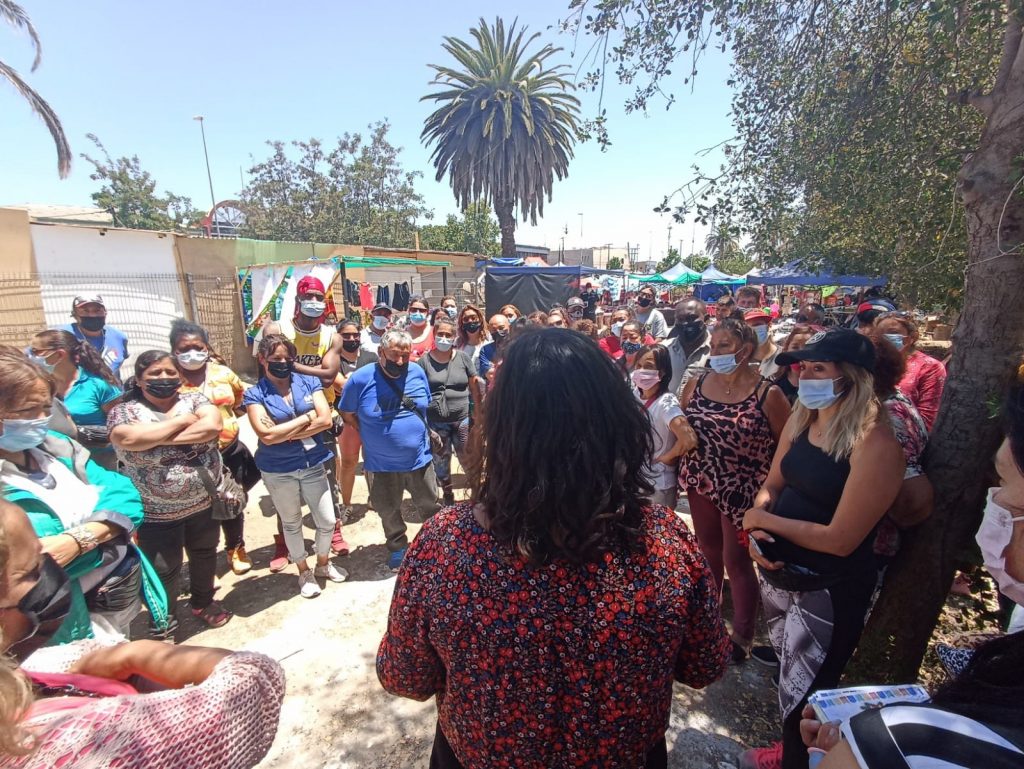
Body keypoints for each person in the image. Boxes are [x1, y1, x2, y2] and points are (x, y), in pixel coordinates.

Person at [377, 328, 731, 769]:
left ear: (500, 429)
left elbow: (405, 676)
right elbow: (703, 665)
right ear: (618, 423)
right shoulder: (665, 542)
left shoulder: (444, 546)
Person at [0, 500, 285, 769]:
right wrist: (137, 653)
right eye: (33, 570)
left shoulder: (24, 671)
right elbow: (256, 679)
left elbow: (123, 495)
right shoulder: (84, 745)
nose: (52, 569)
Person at [739, 329, 904, 769]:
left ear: (851, 377)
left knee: (809, 700)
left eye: (819, 368)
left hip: (828, 590)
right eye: (803, 367)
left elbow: (841, 539)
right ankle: (788, 754)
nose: (806, 376)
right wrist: (759, 526)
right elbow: (773, 485)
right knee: (789, 685)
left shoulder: (876, 443)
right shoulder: (803, 420)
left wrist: (763, 521)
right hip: (781, 576)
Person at [0, 350, 163, 641]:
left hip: (111, 606)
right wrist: (110, 537)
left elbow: (124, 494)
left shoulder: (57, 447)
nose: (42, 419)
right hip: (52, 636)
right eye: (29, 410)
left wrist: (79, 541)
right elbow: (33, 570)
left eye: (46, 407)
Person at [680, 318, 790, 663]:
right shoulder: (696, 383)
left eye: (724, 346)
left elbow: (786, 446)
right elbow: (682, 427)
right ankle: (708, 623)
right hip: (701, 483)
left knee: (737, 560)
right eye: (713, 347)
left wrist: (771, 493)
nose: (716, 353)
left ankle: (742, 634)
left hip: (744, 491)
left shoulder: (768, 393)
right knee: (706, 552)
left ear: (745, 350)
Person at [108, 351, 232, 633]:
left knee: (205, 553)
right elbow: (127, 438)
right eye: (154, 373)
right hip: (156, 512)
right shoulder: (124, 411)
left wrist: (154, 438)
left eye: (169, 372)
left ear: (179, 376)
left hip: (204, 502)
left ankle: (203, 602)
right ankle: (164, 617)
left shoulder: (195, 400)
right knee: (163, 568)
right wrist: (180, 422)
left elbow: (213, 426)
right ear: (139, 380)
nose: (163, 378)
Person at [243, 335, 348, 598]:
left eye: (287, 358)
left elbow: (325, 420)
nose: (282, 363)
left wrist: (284, 432)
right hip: (278, 469)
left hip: (313, 463)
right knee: (291, 523)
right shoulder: (254, 394)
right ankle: (303, 570)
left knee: (327, 520)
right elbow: (266, 435)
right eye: (275, 358)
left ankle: (323, 563)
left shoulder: (308, 382)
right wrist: (306, 418)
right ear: (262, 360)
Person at [262, 275, 349, 560]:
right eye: (308, 297)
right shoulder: (277, 329)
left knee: (327, 477)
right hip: (282, 414)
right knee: (284, 481)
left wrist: (290, 365)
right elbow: (268, 369)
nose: (314, 302)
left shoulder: (331, 336)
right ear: (298, 300)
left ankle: (334, 531)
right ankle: (284, 542)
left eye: (318, 297)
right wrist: (301, 370)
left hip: (321, 414)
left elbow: (329, 376)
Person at [338, 330, 440, 571]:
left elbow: (423, 406)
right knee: (388, 509)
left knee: (429, 504)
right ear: (380, 352)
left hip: (419, 459)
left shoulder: (417, 372)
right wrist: (365, 429)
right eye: (394, 355)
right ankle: (397, 546)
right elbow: (347, 412)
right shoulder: (360, 379)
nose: (400, 361)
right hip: (381, 463)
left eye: (405, 355)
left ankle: (435, 544)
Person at [169, 319, 258, 576]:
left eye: (198, 347)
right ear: (174, 350)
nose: (192, 353)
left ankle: (236, 547)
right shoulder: (169, 378)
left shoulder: (222, 373)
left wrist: (227, 424)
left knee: (232, 499)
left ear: (206, 347)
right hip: (190, 457)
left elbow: (240, 400)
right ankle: (201, 558)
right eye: (184, 348)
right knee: (198, 509)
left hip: (228, 451)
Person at [28, 330, 121, 469]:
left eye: (36, 351)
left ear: (59, 354)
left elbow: (122, 426)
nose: (30, 356)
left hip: (100, 463)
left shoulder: (98, 385)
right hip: (55, 462)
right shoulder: (40, 385)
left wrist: (85, 433)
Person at [418, 317, 483, 505]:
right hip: (436, 422)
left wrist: (478, 413)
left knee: (469, 458)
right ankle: (448, 496)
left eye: (448, 334)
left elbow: (474, 386)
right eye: (441, 334)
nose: (444, 338)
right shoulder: (424, 361)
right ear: (434, 334)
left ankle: (476, 495)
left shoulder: (462, 358)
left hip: (462, 420)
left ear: (454, 336)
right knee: (441, 461)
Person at [630, 345, 696, 509]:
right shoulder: (635, 395)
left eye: (649, 366)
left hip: (659, 486)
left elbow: (689, 439)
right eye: (639, 365)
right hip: (637, 479)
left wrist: (667, 458)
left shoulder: (666, 403)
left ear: (662, 372)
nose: (641, 370)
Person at [874, 311, 947, 431]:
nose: (885, 339)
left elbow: (927, 418)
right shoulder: (873, 362)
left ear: (912, 337)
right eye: (880, 334)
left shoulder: (929, 367)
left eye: (893, 333)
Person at [59, 295, 129, 384]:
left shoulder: (118, 337)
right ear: (75, 314)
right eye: (85, 311)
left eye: (97, 310)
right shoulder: (63, 337)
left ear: (105, 312)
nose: (92, 315)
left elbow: (118, 365)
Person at [335, 320, 365, 520]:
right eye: (346, 335)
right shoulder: (333, 360)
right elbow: (341, 387)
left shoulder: (371, 357)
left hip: (371, 418)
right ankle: (346, 504)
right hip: (347, 421)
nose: (352, 339)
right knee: (348, 462)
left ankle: (375, 499)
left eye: (355, 335)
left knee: (373, 461)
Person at [660, 299, 712, 396]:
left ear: (706, 319)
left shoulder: (717, 352)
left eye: (691, 318)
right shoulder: (664, 349)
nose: (685, 323)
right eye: (680, 319)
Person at [772, 324, 821, 405]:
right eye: (795, 347)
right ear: (786, 349)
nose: (799, 353)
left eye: (807, 347)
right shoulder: (776, 385)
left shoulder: (823, 386)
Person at [745, 309, 782, 378]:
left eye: (757, 325)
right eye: (748, 328)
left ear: (769, 326)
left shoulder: (783, 356)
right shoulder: (742, 360)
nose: (752, 330)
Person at [454, 304, 489, 375]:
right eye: (466, 319)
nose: (470, 321)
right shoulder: (457, 343)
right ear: (462, 323)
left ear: (480, 319)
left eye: (473, 318)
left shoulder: (489, 341)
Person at [478, 313, 510, 379]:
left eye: (501, 328)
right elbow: (490, 375)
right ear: (490, 331)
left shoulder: (520, 346)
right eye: (494, 330)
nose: (498, 331)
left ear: (509, 326)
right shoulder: (485, 350)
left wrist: (496, 367)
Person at [405, 295, 434, 362]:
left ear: (427, 312)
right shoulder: (402, 334)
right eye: (414, 310)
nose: (417, 313)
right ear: (409, 311)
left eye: (422, 310)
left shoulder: (434, 332)